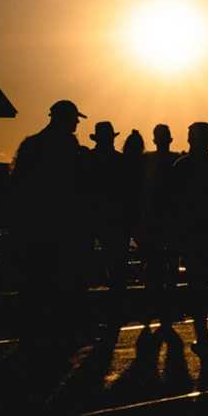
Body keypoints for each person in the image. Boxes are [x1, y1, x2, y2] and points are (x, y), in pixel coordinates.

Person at [9, 99, 89, 343]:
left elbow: (17, 185)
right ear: (65, 119)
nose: (77, 122)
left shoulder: (32, 144)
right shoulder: (69, 147)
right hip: (62, 225)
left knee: (36, 279)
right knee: (61, 279)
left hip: (35, 224)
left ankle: (34, 329)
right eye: (75, 118)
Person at [171, 122, 208, 357]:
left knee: (197, 287)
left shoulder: (182, 166)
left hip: (194, 236)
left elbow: (173, 205)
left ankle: (202, 334)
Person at [86, 120, 129, 325]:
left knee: (86, 265)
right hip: (116, 219)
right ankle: (116, 310)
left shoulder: (88, 159)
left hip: (92, 216)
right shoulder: (121, 161)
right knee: (118, 268)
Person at [140, 124, 180, 328]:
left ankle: (152, 304)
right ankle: (169, 305)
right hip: (171, 220)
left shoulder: (146, 160)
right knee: (171, 265)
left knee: (153, 265)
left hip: (153, 220)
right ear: (170, 139)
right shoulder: (177, 161)